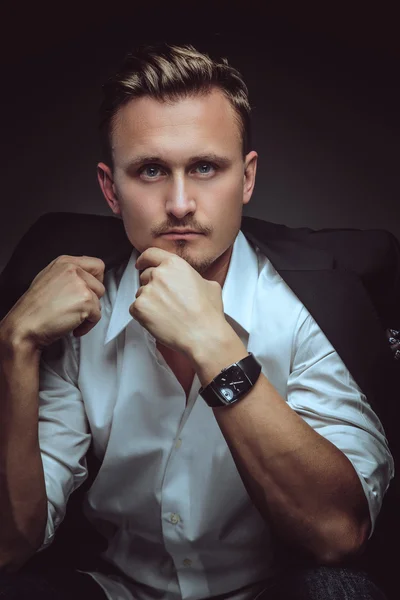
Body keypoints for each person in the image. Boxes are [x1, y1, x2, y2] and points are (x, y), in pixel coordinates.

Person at [0, 43, 394, 600]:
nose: (180, 203)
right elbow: (9, 544)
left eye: (205, 167)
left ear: (247, 178)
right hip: (114, 590)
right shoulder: (80, 315)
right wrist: (14, 345)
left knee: (341, 592)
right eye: (151, 170)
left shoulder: (308, 311)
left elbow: (338, 533)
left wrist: (215, 345)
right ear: (111, 188)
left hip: (270, 591)